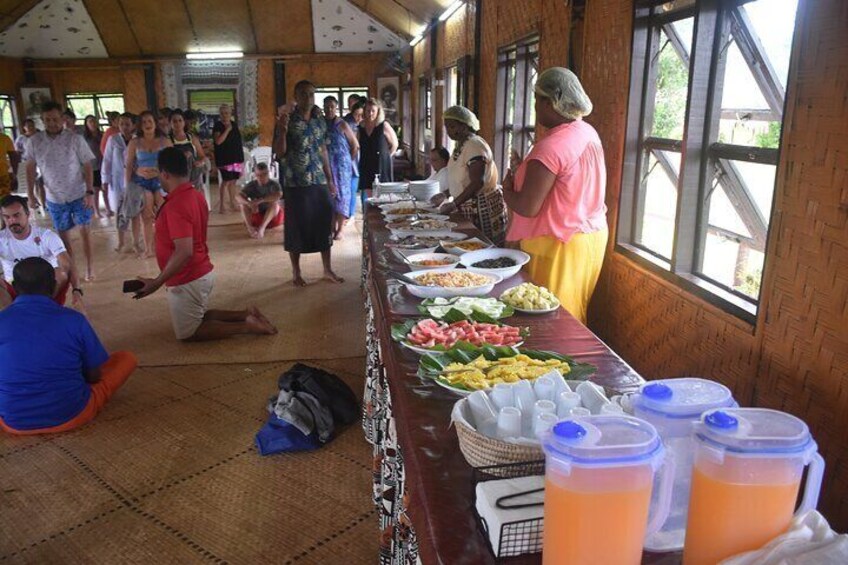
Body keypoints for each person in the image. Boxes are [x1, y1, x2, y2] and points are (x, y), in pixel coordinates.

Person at [133, 147, 277, 341]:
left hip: (188, 276)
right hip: (197, 272)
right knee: (199, 316)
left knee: (189, 332)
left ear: (165, 174)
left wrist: (156, 283)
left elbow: (184, 252)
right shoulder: (194, 195)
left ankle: (246, 325)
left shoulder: (177, 204)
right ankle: (245, 314)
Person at [502, 67, 608, 324]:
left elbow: (528, 206)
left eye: (538, 100)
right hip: (590, 237)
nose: (536, 107)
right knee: (573, 311)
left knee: (550, 317)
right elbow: (566, 184)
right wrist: (523, 172)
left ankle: (557, 363)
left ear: (550, 102)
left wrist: (506, 190)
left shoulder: (551, 146)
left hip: (559, 242)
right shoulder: (586, 132)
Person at [0, 257, 137, 435]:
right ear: (53, 285)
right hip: (72, 415)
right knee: (126, 359)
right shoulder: (74, 319)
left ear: (15, 287)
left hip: (14, 422)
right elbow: (94, 376)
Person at [273, 80, 344, 287]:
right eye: (303, 94)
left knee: (323, 223)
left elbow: (323, 151)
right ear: (295, 96)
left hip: (319, 180)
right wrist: (283, 131)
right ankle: (296, 272)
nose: (308, 98)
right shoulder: (287, 120)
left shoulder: (319, 121)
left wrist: (330, 180)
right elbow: (280, 152)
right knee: (296, 226)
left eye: (312, 94)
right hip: (296, 181)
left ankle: (327, 269)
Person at [24, 101, 96, 281]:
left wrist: (89, 192)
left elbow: (87, 165)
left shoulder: (75, 139)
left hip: (78, 194)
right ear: (42, 120)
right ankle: (73, 271)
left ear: (62, 119)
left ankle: (89, 267)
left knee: (85, 232)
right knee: (63, 239)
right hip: (54, 197)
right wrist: (31, 195)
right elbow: (30, 168)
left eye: (55, 119)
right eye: (47, 120)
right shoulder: (34, 142)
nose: (52, 123)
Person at [436, 105, 508, 246]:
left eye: (452, 126)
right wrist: (445, 194)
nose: (449, 131)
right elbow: (461, 178)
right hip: (467, 206)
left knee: (483, 248)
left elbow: (477, 182)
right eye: (447, 127)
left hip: (481, 210)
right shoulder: (461, 145)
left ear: (464, 126)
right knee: (470, 247)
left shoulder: (474, 146)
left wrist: (453, 204)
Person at [0, 195, 85, 310]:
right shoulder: (1, 239)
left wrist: (76, 290)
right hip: (15, 286)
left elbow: (68, 265)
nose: (12, 221)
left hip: (45, 288)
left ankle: (46, 309)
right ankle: (12, 316)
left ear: (28, 214)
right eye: (7, 217)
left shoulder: (47, 236)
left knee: (61, 273)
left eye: (16, 215)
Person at [125, 110, 172, 258]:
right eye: (144, 122)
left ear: (155, 123)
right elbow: (129, 164)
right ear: (140, 125)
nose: (147, 125)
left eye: (150, 121)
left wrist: (160, 171)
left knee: (163, 215)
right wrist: (129, 186)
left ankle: (166, 246)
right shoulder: (134, 142)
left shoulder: (164, 141)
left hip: (161, 181)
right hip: (141, 182)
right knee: (146, 215)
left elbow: (173, 162)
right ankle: (148, 249)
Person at [102, 112, 143, 253]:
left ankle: (136, 243)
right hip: (117, 180)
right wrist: (105, 179)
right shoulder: (113, 139)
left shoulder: (138, 140)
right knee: (120, 212)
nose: (124, 127)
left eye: (127, 124)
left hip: (135, 181)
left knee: (135, 212)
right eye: (121, 124)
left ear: (133, 125)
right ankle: (121, 242)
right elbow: (107, 160)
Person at [323, 95, 359, 240]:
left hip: (342, 168)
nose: (329, 109)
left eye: (332, 106)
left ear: (336, 107)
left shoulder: (342, 124)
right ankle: (330, 228)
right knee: (329, 197)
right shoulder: (321, 124)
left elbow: (355, 145)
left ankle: (340, 229)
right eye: (326, 107)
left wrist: (348, 160)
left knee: (342, 198)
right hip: (327, 167)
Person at [358, 98, 398, 203]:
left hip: (381, 164)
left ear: (378, 112)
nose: (370, 113)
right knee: (369, 197)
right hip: (366, 163)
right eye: (368, 111)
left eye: (373, 111)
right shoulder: (361, 127)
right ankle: (368, 217)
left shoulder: (383, 125)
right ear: (364, 111)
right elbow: (357, 145)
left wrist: (387, 157)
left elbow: (394, 144)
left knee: (383, 196)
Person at [236, 162, 283, 239]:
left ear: (268, 174)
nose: (261, 177)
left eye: (264, 174)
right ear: (255, 175)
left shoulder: (274, 184)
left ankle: (262, 228)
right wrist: (248, 203)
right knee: (242, 205)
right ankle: (250, 229)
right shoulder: (251, 185)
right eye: (259, 175)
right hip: (257, 213)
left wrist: (261, 200)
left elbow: (278, 195)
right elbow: (238, 196)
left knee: (274, 204)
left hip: (272, 216)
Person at [213, 104, 245, 214]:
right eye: (222, 113)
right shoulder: (218, 125)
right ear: (220, 114)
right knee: (226, 181)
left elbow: (238, 143)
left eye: (227, 113)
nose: (225, 115)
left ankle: (232, 203)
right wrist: (227, 130)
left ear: (230, 114)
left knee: (233, 181)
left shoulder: (234, 124)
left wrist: (241, 161)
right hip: (224, 159)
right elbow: (218, 141)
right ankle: (222, 205)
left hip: (235, 158)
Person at [169, 109, 208, 189]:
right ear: (170, 123)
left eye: (180, 120)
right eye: (175, 121)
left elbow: (202, 156)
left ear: (184, 122)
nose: (178, 123)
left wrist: (200, 162)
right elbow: (166, 158)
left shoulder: (192, 138)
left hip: (193, 174)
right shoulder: (168, 140)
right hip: (176, 175)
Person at [83, 115, 110, 218]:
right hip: (92, 167)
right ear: (86, 124)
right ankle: (96, 211)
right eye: (90, 122)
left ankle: (108, 209)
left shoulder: (102, 135)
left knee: (105, 189)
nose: (93, 123)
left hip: (103, 165)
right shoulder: (85, 138)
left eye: (94, 121)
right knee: (95, 190)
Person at [343, 100, 364, 217]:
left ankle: (366, 213)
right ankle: (349, 214)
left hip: (362, 160)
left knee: (365, 190)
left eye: (361, 115)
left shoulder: (366, 124)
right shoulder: (347, 124)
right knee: (351, 189)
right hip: (351, 160)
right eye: (356, 115)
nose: (359, 118)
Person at [13, 119, 37, 197]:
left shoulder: (39, 137)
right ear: (24, 127)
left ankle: (41, 202)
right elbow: (17, 152)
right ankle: (28, 202)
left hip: (39, 162)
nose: (30, 127)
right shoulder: (21, 138)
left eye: (32, 125)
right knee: (25, 185)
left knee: (39, 184)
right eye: (28, 126)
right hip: (25, 162)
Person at [0, 130, 16, 199]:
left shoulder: (5, 138)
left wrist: (14, 175)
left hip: (3, 177)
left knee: (5, 201)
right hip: (3, 176)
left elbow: (13, 157)